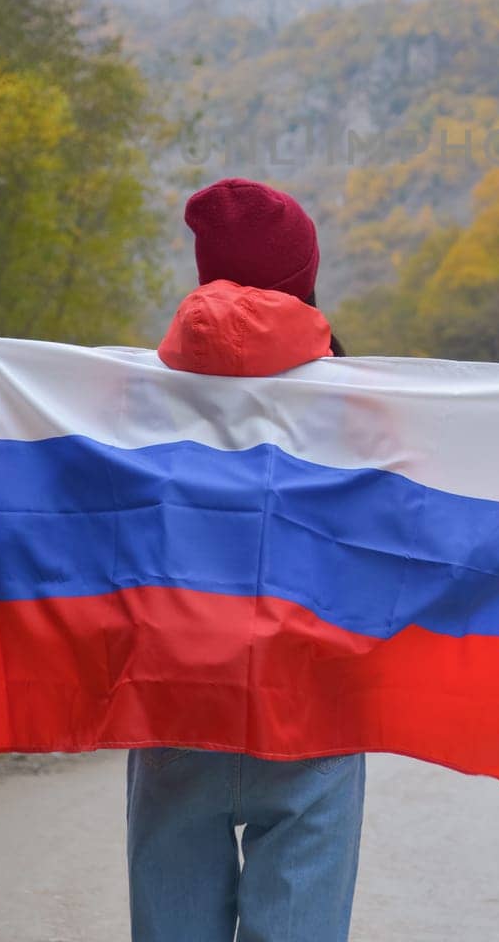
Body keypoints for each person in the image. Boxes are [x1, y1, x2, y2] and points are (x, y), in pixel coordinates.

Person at [126, 177, 364, 942]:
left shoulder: (128, 399)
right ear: (304, 276)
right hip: (314, 705)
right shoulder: (364, 403)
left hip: (172, 699)